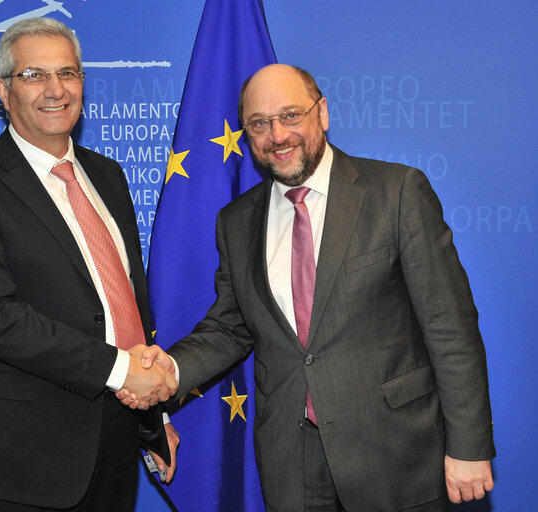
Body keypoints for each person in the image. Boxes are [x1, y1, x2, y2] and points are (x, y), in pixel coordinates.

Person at [121, 64, 495, 511]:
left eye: (291, 115)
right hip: (292, 463)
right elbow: (230, 328)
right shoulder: (236, 222)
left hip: (397, 453)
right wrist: (170, 371)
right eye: (259, 123)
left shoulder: (396, 193)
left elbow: (450, 327)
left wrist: (469, 445)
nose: (277, 135)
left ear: (323, 114)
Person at [0, 17, 178, 512]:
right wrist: (121, 369)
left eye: (68, 73)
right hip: (24, 458)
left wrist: (154, 414)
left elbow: (124, 301)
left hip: (117, 437)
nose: (55, 90)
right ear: (2, 90)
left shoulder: (108, 174)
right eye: (34, 75)